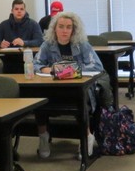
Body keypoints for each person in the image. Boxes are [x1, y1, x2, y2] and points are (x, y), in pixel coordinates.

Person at [33, 11, 112, 159]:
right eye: (61, 26)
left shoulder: (82, 45)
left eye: (68, 27)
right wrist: (48, 69)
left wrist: (72, 70)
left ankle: (87, 137)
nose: (64, 30)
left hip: (78, 90)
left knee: (80, 100)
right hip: (55, 89)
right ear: (54, 28)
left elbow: (97, 66)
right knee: (39, 100)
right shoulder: (47, 45)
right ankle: (43, 137)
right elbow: (36, 64)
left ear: (73, 30)